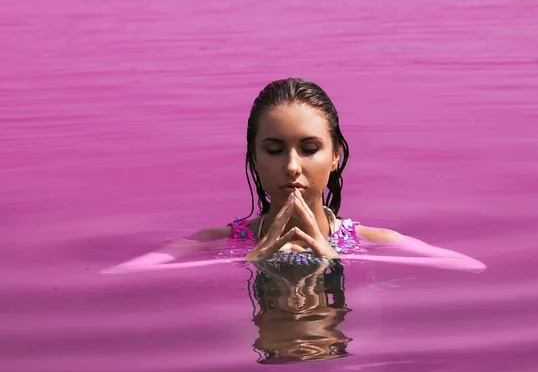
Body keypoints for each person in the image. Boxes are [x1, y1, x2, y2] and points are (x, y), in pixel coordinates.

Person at [109, 78, 485, 273]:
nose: (292, 166)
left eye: (309, 149)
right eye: (274, 150)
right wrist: (253, 260)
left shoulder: (369, 241)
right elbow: (117, 276)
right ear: (254, 159)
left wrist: (335, 259)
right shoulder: (216, 242)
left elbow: (469, 266)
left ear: (336, 155)